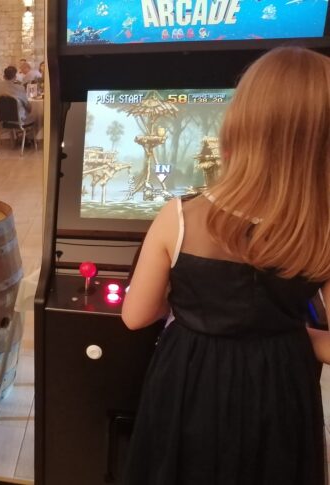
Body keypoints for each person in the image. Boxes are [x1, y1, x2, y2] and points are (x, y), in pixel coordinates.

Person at [121, 46, 330, 484]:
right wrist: (296, 337)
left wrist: (189, 303)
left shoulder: (179, 215)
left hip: (190, 385)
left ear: (240, 124)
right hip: (282, 392)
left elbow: (136, 315)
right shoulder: (322, 228)